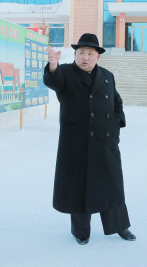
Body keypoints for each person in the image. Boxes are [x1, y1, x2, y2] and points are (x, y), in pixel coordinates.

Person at [43, 33, 135, 245]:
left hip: (105, 141)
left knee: (112, 184)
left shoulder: (107, 75)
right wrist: (53, 64)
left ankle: (120, 226)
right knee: (79, 187)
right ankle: (81, 231)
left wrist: (116, 122)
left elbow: (116, 101)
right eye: (81, 53)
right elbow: (52, 81)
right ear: (75, 54)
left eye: (90, 53)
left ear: (98, 57)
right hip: (76, 142)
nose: (85, 57)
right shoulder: (65, 72)